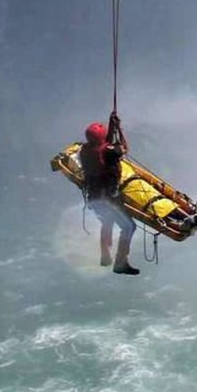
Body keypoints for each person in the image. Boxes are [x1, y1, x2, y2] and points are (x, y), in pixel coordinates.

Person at [78, 114, 139, 276]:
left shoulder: (84, 150)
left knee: (107, 221)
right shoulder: (108, 152)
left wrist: (111, 128)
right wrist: (118, 128)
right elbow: (123, 148)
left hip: (94, 197)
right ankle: (120, 263)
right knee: (129, 226)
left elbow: (106, 146)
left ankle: (105, 256)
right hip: (110, 198)